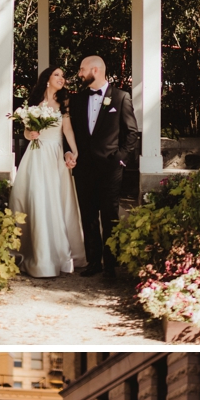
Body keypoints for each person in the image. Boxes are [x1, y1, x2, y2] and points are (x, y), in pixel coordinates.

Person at [10, 65, 86, 279]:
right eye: (57, 75)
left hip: (55, 156)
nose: (62, 78)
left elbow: (67, 129)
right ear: (47, 79)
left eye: (63, 75)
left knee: (57, 200)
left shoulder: (64, 102)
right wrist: (29, 133)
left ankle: (60, 254)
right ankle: (36, 253)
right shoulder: (34, 104)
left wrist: (74, 151)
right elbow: (26, 131)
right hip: (36, 156)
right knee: (36, 197)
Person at [72, 54, 140, 279]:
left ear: (95, 70)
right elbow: (71, 133)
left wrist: (121, 158)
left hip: (110, 168)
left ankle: (111, 264)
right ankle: (94, 262)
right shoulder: (77, 99)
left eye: (82, 70)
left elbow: (131, 132)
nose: (79, 74)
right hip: (84, 168)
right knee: (88, 215)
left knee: (110, 215)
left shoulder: (121, 97)